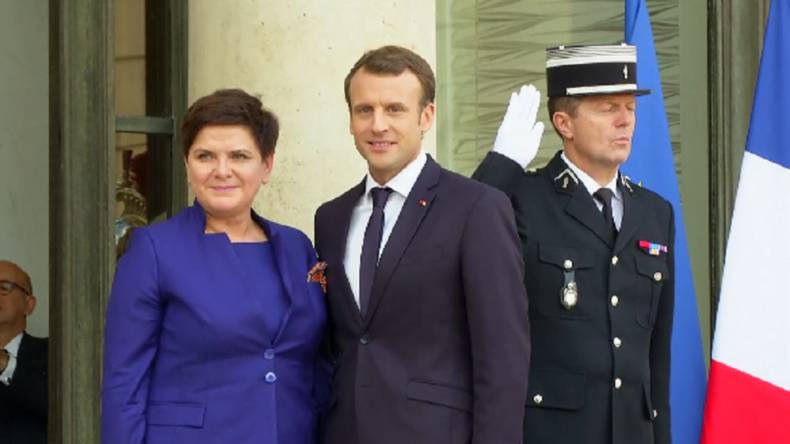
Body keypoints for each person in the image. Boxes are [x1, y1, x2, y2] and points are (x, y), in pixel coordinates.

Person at [314, 45, 530, 444]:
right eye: (365, 110)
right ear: (350, 119)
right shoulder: (330, 218)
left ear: (426, 116)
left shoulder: (477, 207)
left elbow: (503, 362)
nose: (378, 125)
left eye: (395, 109)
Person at [101, 89, 333, 444]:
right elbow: (124, 383)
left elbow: (318, 362)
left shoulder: (296, 247)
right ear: (187, 164)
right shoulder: (154, 250)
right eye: (205, 156)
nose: (221, 171)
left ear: (266, 165)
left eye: (239, 155)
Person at [472, 43, 675, 444]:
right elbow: (453, 245)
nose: (625, 121)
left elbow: (657, 358)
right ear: (563, 122)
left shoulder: (655, 212)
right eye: (607, 108)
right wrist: (500, 167)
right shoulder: (522, 200)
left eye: (630, 107)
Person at [0, 260, 48, 444]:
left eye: (4, 287)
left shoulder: (53, 353)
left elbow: (59, 409)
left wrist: (6, 365)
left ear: (28, 305)